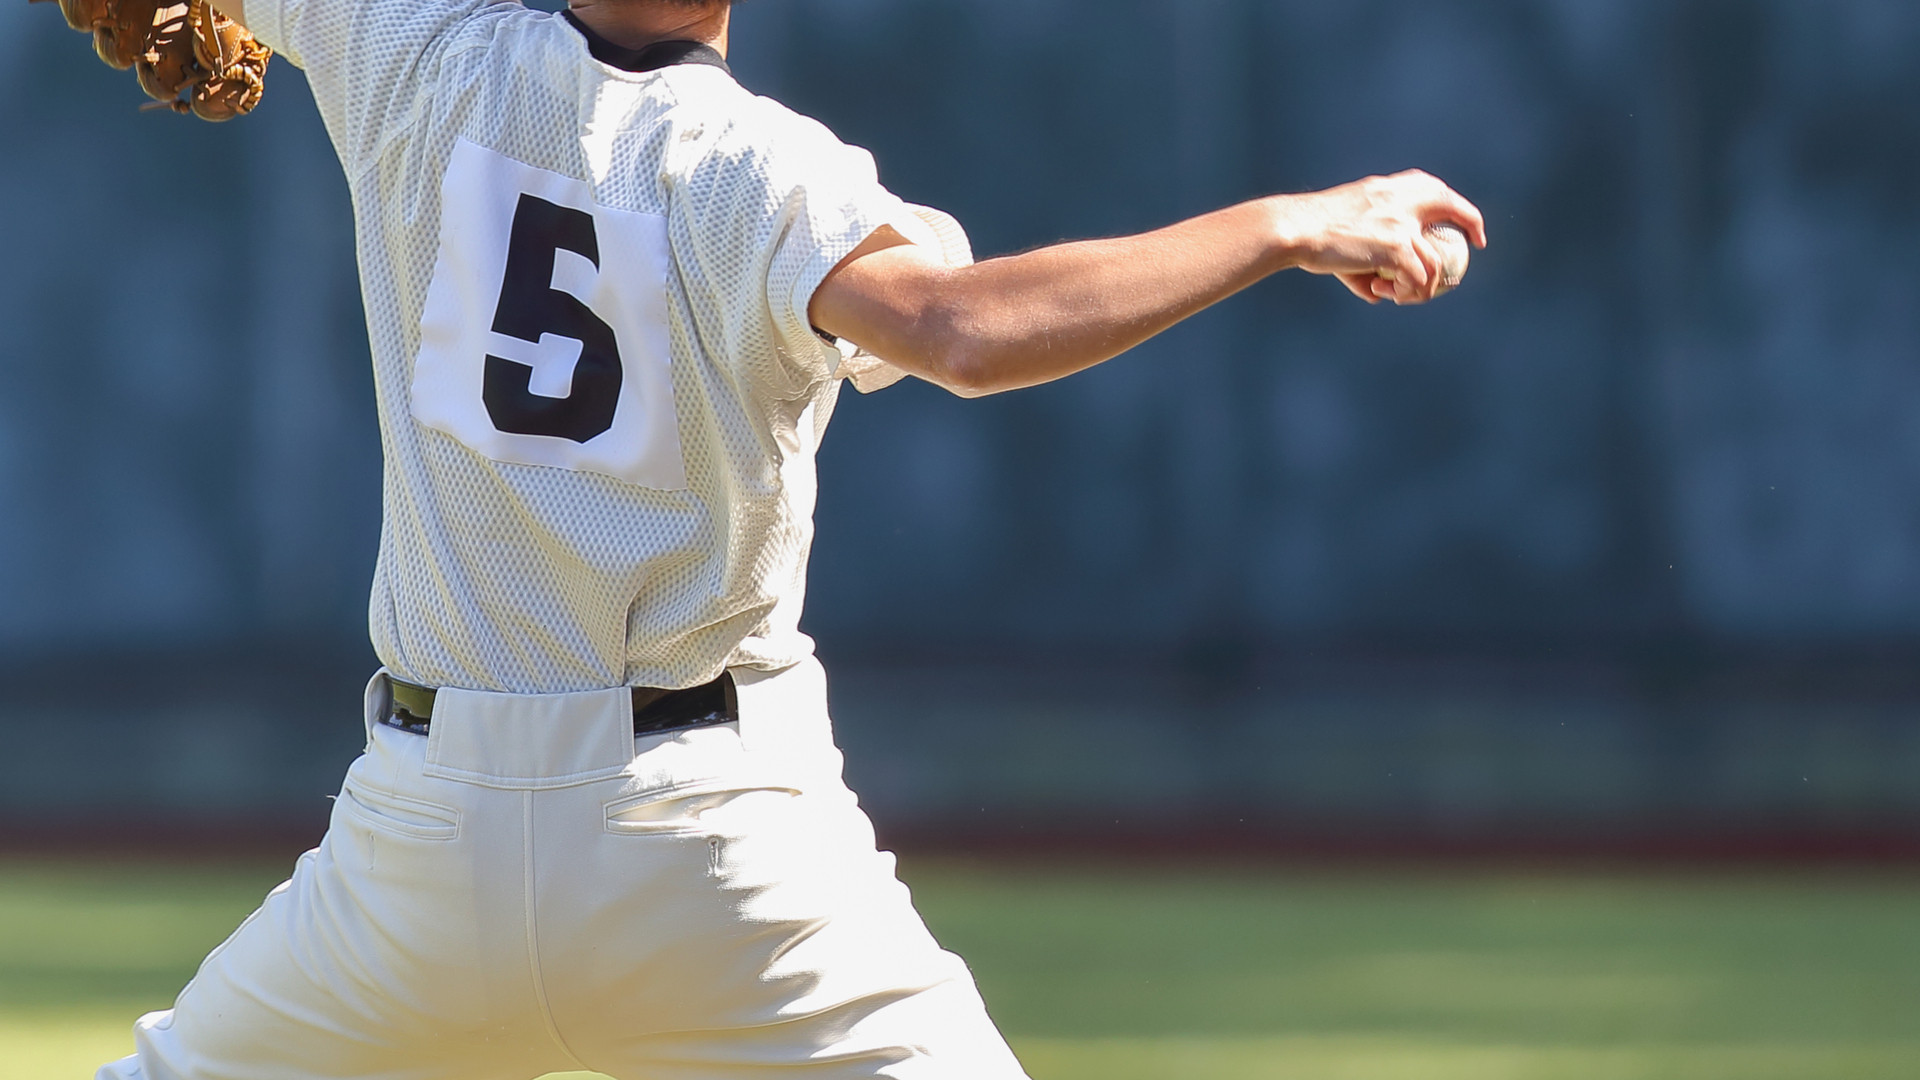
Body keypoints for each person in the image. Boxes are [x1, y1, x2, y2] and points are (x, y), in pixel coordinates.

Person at [97, 0, 1486, 1077]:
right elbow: (965, 328)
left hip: (416, 857)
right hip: (711, 854)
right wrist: (1287, 222)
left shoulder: (408, 44)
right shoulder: (761, 172)